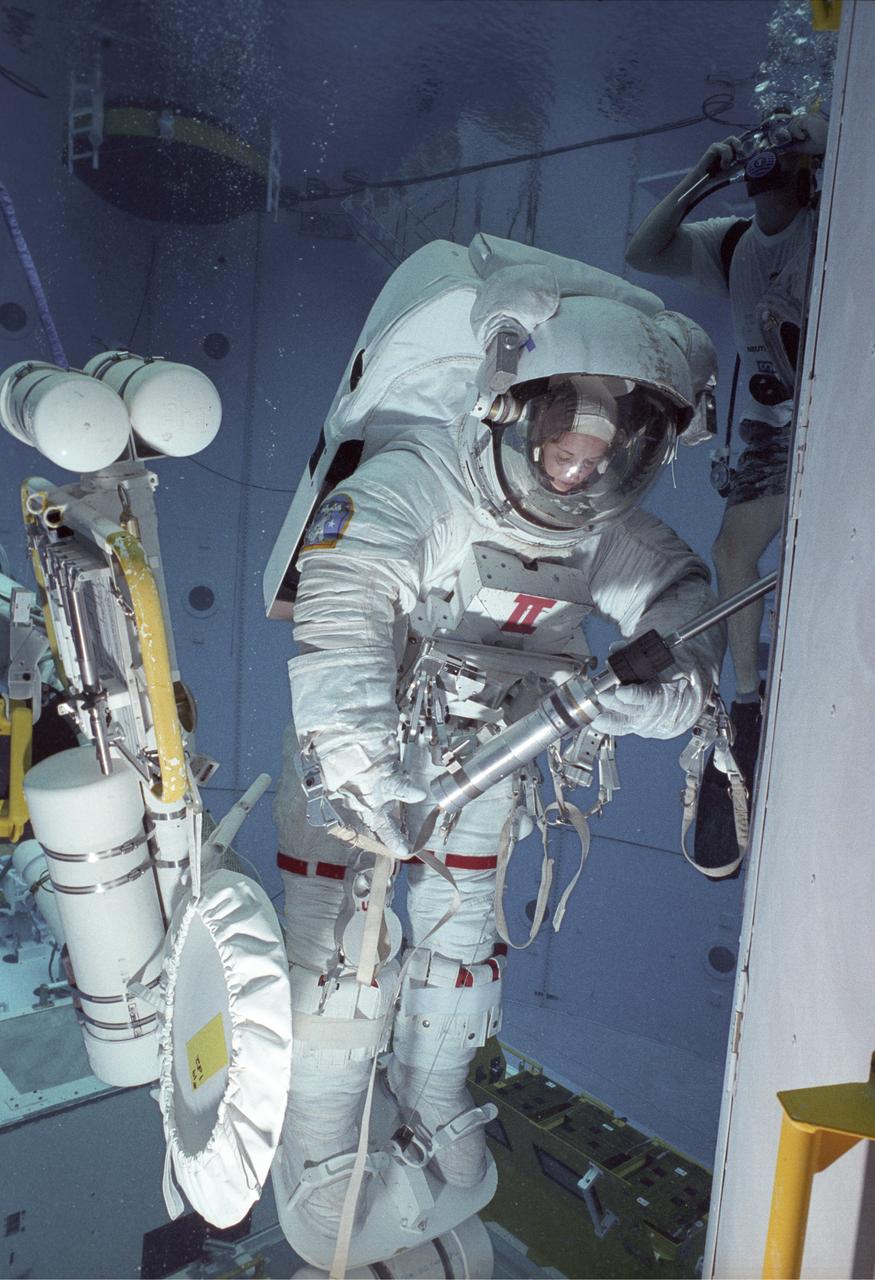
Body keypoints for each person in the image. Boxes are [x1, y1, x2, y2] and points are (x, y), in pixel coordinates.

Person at [269, 243, 725, 1273]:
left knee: (462, 938)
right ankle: (321, 1154)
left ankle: (434, 1102)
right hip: (368, 764)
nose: (575, 472)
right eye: (561, 444)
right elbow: (342, 611)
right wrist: (362, 770)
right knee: (339, 964)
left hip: (495, 759)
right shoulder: (413, 479)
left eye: (605, 459)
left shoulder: (607, 531)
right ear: (515, 412)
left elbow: (684, 600)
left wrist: (660, 691)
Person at [624, 107, 828, 863]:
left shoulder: (834, 229)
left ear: (812, 169)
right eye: (762, 150)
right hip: (773, 438)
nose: (765, 161)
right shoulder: (734, 241)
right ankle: (747, 702)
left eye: (785, 148)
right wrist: (699, 178)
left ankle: (755, 698)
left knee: (748, 554)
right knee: (731, 555)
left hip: (828, 420)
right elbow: (644, 251)